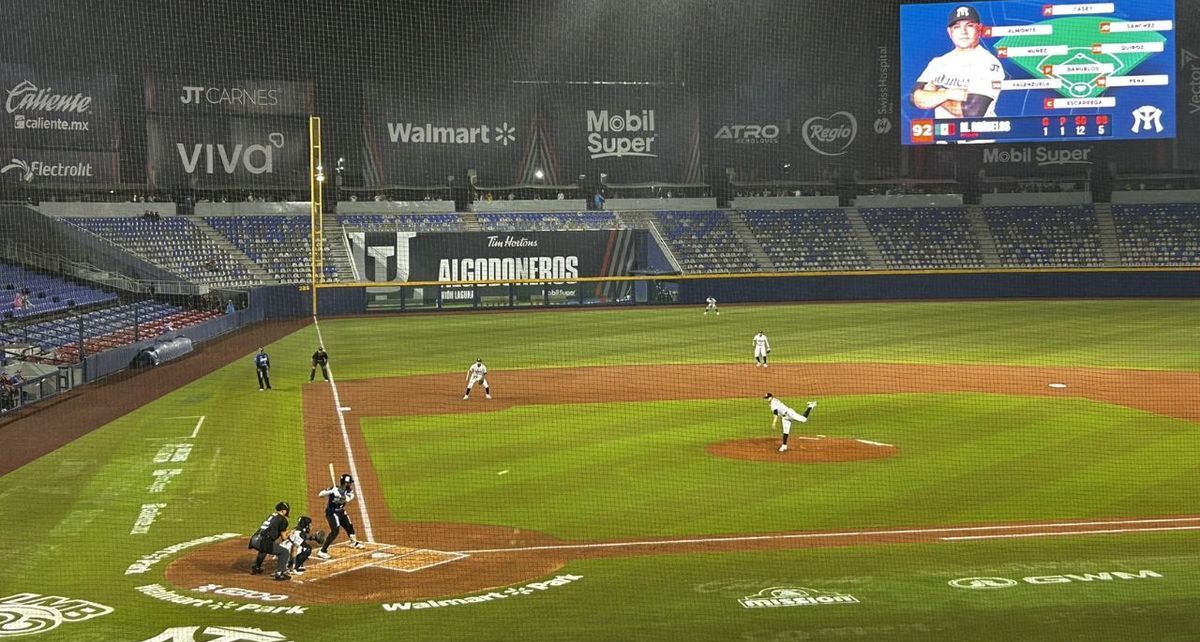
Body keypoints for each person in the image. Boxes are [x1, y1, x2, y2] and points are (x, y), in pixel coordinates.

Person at [910, 5, 1004, 119]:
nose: (963, 32)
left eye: (970, 25)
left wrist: (935, 93)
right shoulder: (937, 63)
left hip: (980, 130)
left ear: (979, 29)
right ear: (950, 32)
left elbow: (972, 112)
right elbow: (914, 98)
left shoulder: (989, 63)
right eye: (957, 27)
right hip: (944, 130)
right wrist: (947, 93)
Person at [316, 473, 364, 558]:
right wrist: (331, 491)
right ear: (345, 483)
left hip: (341, 512)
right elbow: (320, 494)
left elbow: (348, 499)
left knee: (349, 525)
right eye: (349, 483)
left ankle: (354, 543)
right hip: (331, 513)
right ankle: (322, 551)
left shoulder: (349, 491)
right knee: (335, 531)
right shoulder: (334, 488)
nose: (350, 484)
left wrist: (340, 495)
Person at [248, 501, 292, 580]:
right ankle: (280, 573)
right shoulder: (283, 520)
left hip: (254, 539)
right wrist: (290, 533)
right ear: (283, 511)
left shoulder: (272, 515)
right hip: (262, 541)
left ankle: (256, 567)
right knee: (284, 552)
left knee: (265, 548)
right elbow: (284, 538)